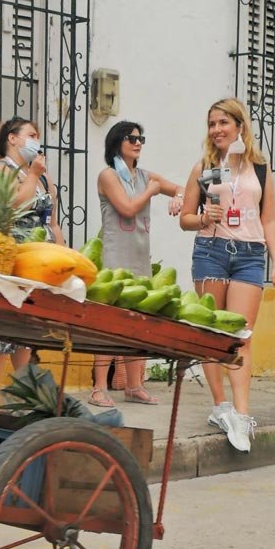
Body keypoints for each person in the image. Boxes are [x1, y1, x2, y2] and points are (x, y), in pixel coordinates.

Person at [179, 98, 275, 452]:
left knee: (241, 335)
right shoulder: (205, 166)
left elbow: (269, 218)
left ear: (240, 126)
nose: (216, 129)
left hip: (250, 256)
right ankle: (220, 406)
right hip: (211, 252)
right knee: (212, 333)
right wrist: (203, 218)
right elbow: (185, 218)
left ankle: (241, 414)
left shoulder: (259, 168)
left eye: (223, 122)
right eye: (212, 123)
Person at [89, 120, 183, 408]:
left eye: (141, 137)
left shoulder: (145, 175)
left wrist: (178, 197)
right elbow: (128, 209)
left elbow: (182, 188)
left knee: (137, 323)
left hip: (140, 257)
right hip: (116, 257)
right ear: (118, 142)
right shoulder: (108, 176)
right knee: (108, 323)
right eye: (131, 138)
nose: (138, 142)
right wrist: (152, 192)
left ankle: (134, 385)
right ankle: (98, 388)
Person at [0, 116, 64, 406]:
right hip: (9, 258)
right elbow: (14, 203)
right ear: (12, 138)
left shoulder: (42, 176)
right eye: (31, 134)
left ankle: (24, 396)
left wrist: (63, 255)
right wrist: (31, 175)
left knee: (26, 330)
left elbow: (52, 220)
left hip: (39, 262)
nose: (36, 140)